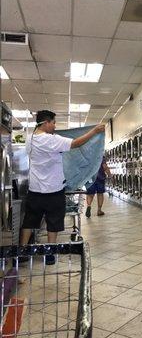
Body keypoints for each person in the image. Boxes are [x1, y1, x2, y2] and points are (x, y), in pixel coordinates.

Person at [20, 110, 105, 264]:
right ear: (46, 123)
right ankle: (50, 253)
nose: (55, 126)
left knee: (30, 220)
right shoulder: (51, 140)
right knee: (53, 221)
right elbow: (76, 143)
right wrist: (94, 131)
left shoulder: (30, 139)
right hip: (53, 189)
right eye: (53, 122)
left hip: (34, 189)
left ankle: (22, 252)